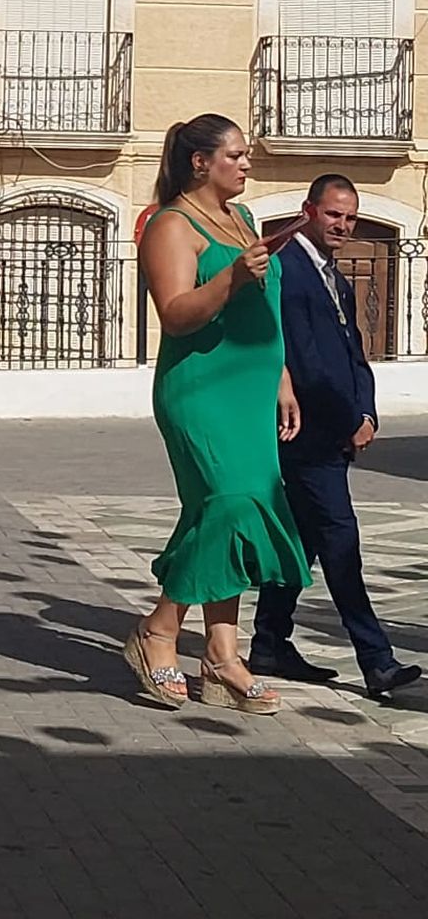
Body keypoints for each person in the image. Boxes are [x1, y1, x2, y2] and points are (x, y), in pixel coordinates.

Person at [127, 114, 310, 715]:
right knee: (231, 506)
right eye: (235, 154)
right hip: (201, 390)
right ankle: (159, 631)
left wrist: (281, 376)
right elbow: (177, 314)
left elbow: (266, 308)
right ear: (200, 162)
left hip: (251, 389)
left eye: (247, 153)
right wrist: (231, 277)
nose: (247, 163)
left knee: (225, 513)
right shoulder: (169, 224)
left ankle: (221, 656)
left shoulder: (243, 219)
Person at [251, 175, 423, 699]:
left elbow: (353, 354)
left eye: (350, 218)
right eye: (333, 215)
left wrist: (367, 410)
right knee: (342, 545)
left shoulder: (337, 278)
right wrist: (349, 417)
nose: (343, 226)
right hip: (308, 435)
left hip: (337, 430)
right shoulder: (288, 271)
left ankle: (269, 643)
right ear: (308, 211)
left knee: (301, 545)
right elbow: (305, 361)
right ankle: (377, 662)